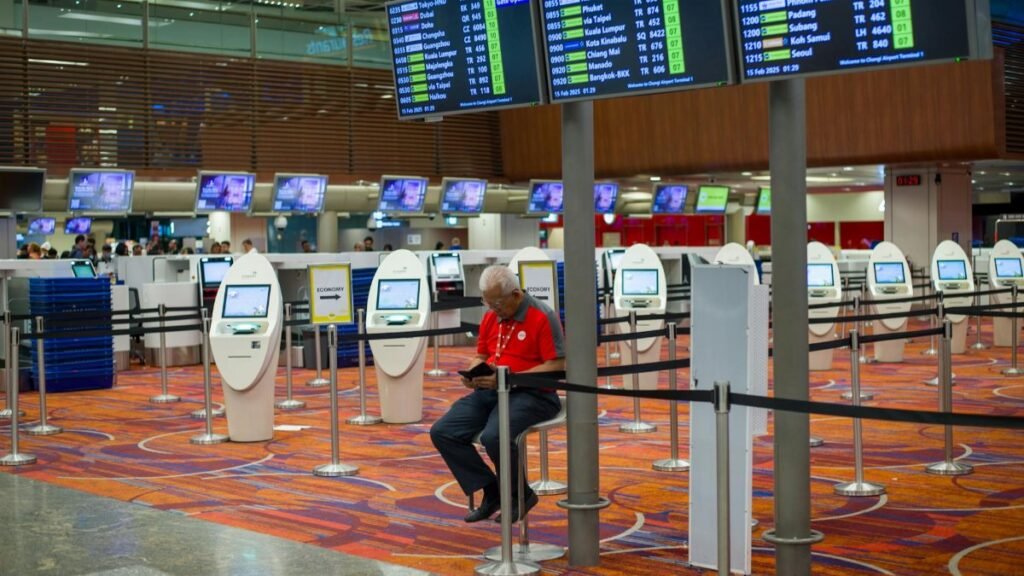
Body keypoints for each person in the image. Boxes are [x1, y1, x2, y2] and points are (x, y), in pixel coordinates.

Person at [430, 265, 564, 524]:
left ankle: (519, 495)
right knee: (443, 431)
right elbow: (481, 354)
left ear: (516, 294)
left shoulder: (542, 315)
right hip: (492, 389)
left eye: (498, 304)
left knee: (495, 435)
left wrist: (510, 376)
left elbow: (558, 365)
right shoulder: (492, 315)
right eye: (488, 303)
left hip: (534, 394)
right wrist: (473, 373)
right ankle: (492, 491)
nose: (493, 310)